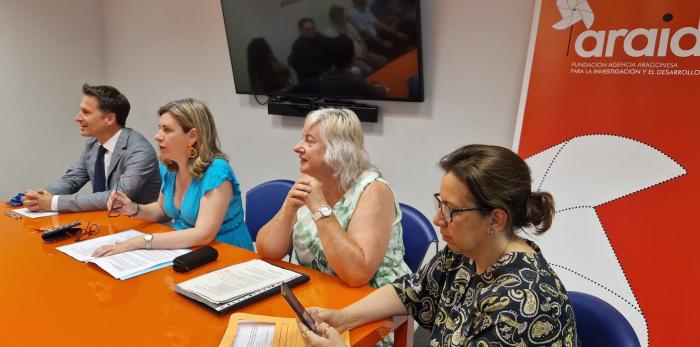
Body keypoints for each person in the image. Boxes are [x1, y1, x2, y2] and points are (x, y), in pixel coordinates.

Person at [296, 145, 580, 347]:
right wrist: (343, 318)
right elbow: (410, 291)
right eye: (440, 203)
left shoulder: (519, 305)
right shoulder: (465, 254)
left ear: (495, 218)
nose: (438, 219)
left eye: (452, 211)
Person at [256, 108, 409, 288]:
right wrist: (289, 209)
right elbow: (267, 251)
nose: (297, 147)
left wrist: (321, 208)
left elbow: (357, 274)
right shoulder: (312, 182)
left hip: (373, 301)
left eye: (309, 141)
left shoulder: (374, 190)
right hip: (317, 293)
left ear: (338, 150)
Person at [92, 99, 253, 257]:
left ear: (192, 136)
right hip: (186, 250)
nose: (157, 136)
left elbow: (203, 234)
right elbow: (162, 209)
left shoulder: (217, 171)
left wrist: (139, 242)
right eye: (159, 128)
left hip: (226, 253)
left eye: (167, 130)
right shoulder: (171, 166)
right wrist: (133, 208)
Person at [22, 83, 160, 213]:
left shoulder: (140, 151)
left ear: (109, 119)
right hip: (104, 220)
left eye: (86, 112)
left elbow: (116, 197)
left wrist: (53, 202)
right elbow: (73, 178)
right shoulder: (94, 143)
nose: (77, 118)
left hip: (141, 226)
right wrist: (40, 196)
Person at [320, 35, 388, 98]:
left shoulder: (324, 78)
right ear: (353, 57)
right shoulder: (355, 81)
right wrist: (380, 88)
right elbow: (379, 94)